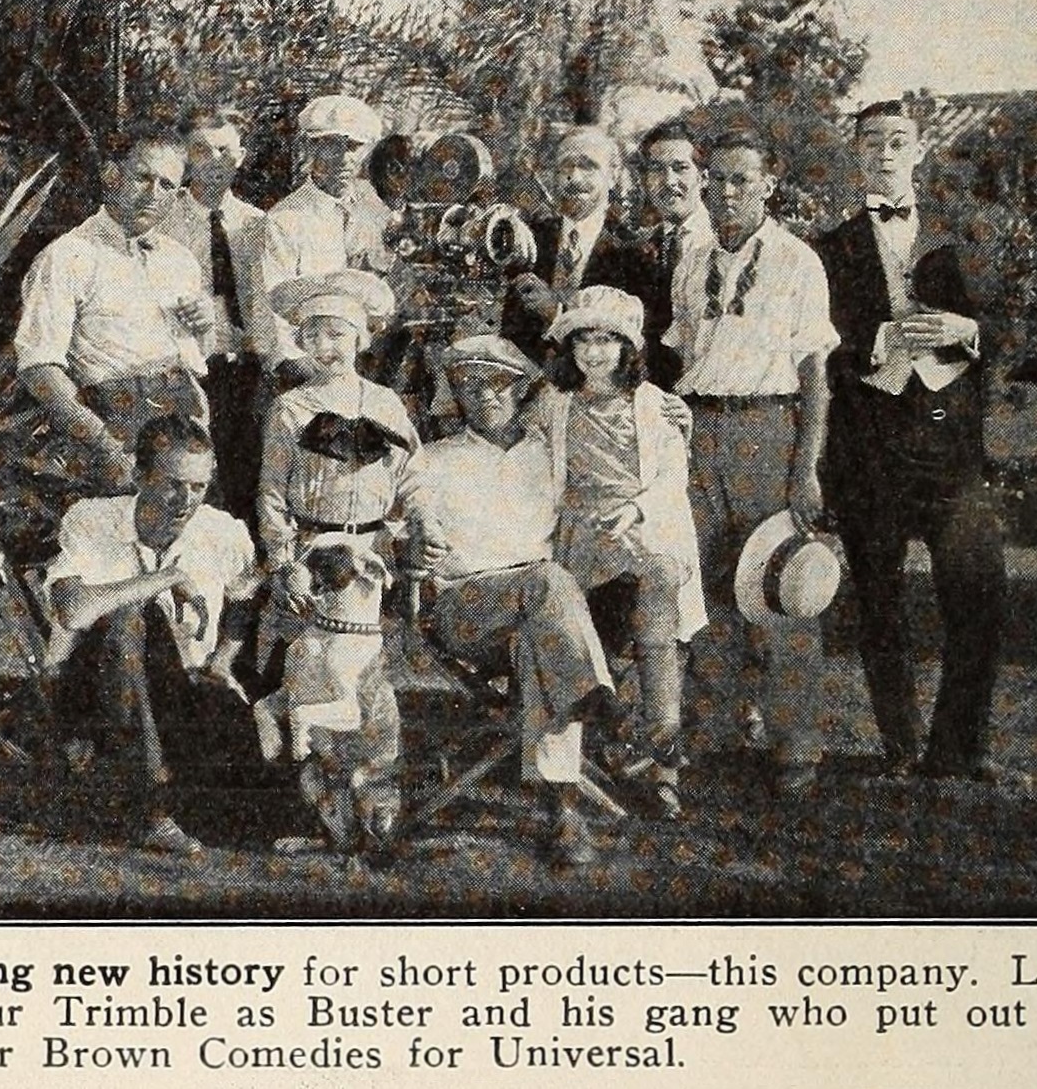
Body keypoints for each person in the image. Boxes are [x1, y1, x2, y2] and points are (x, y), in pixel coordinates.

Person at [814, 100, 1011, 783]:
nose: (886, 154)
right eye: (873, 143)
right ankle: (899, 748)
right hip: (872, 451)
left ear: (919, 152)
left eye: (898, 142)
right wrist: (880, 340)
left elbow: (1008, 332)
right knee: (880, 605)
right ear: (857, 153)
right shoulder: (830, 249)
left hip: (952, 453)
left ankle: (959, 749)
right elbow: (818, 355)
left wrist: (967, 332)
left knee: (978, 593)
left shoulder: (965, 235)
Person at [400, 335, 626, 867]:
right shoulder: (432, 460)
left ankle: (563, 812)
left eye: (497, 385)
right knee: (546, 584)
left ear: (519, 389)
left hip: (543, 617)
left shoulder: (547, 457)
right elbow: (396, 529)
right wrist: (410, 541)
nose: (486, 397)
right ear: (455, 397)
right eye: (470, 388)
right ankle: (598, 700)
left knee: (539, 631)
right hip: (463, 606)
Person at [664, 127, 838, 790]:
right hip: (701, 433)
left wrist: (805, 467)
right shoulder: (692, 260)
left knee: (781, 592)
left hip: (769, 431)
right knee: (705, 590)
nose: (729, 192)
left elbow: (816, 379)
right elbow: (687, 359)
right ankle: (714, 731)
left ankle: (796, 749)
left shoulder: (798, 262)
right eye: (720, 179)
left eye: (744, 180)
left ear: (769, 185)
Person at [45, 414, 261, 854]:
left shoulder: (223, 533)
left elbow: (247, 594)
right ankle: (152, 806)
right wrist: (166, 578)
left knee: (253, 817)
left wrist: (224, 660)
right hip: (87, 688)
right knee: (126, 619)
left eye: (198, 487)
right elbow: (74, 610)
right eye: (173, 484)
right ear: (139, 475)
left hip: (180, 688)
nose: (186, 500)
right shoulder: (92, 521)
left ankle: (160, 795)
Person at [256, 269, 417, 845]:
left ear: (362, 340)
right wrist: (283, 560)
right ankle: (311, 815)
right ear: (301, 341)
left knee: (364, 679)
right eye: (316, 334)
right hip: (310, 555)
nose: (329, 346)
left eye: (340, 335)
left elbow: (411, 479)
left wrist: (411, 529)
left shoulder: (386, 404)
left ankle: (374, 809)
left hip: (368, 557)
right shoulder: (290, 410)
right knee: (306, 674)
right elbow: (273, 492)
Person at [535, 286, 707, 819]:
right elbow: (534, 465)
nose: (595, 352)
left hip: (643, 524)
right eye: (584, 339)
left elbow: (672, 477)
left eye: (609, 340)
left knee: (657, 594)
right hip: (580, 534)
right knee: (590, 626)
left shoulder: (656, 405)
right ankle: (601, 744)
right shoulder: (554, 402)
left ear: (628, 349)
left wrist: (636, 512)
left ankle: (664, 762)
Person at [15, 122, 214, 494]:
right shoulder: (67, 256)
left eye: (167, 185)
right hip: (110, 426)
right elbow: (39, 367)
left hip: (184, 426)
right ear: (111, 174)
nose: (154, 194)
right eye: (143, 177)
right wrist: (104, 442)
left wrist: (205, 328)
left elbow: (195, 359)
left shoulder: (180, 260)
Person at [158, 106, 265, 528]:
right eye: (201, 150)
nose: (215, 161)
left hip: (250, 372)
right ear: (185, 159)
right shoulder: (163, 220)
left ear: (241, 155)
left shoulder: (258, 223)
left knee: (251, 478)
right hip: (194, 372)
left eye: (224, 150)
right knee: (202, 479)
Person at [249, 95, 393, 377]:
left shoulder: (376, 210)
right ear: (311, 147)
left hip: (376, 362)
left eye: (353, 147)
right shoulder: (285, 220)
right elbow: (269, 312)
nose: (343, 159)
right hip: (312, 366)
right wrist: (311, 373)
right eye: (331, 145)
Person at [501, 126, 634, 367]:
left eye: (588, 166)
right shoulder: (529, 237)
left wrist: (556, 313)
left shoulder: (633, 251)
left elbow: (631, 350)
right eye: (565, 166)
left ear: (613, 175)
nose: (574, 177)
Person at [615, 119, 715, 390]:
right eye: (657, 170)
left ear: (703, 177)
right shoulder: (634, 251)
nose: (669, 181)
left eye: (680, 168)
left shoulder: (725, 245)